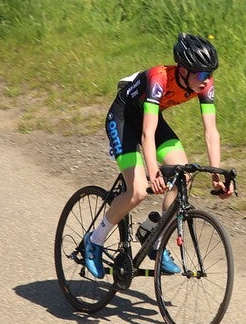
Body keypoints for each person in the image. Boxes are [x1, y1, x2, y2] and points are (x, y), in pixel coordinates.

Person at [83, 33, 234, 278]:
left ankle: (155, 238)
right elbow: (147, 133)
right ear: (183, 70)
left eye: (210, 74)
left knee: (183, 176)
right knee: (138, 191)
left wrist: (216, 176)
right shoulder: (158, 78)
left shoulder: (204, 84)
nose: (206, 80)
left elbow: (211, 131)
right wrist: (152, 171)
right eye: (201, 75)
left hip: (150, 120)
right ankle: (94, 240)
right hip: (123, 120)